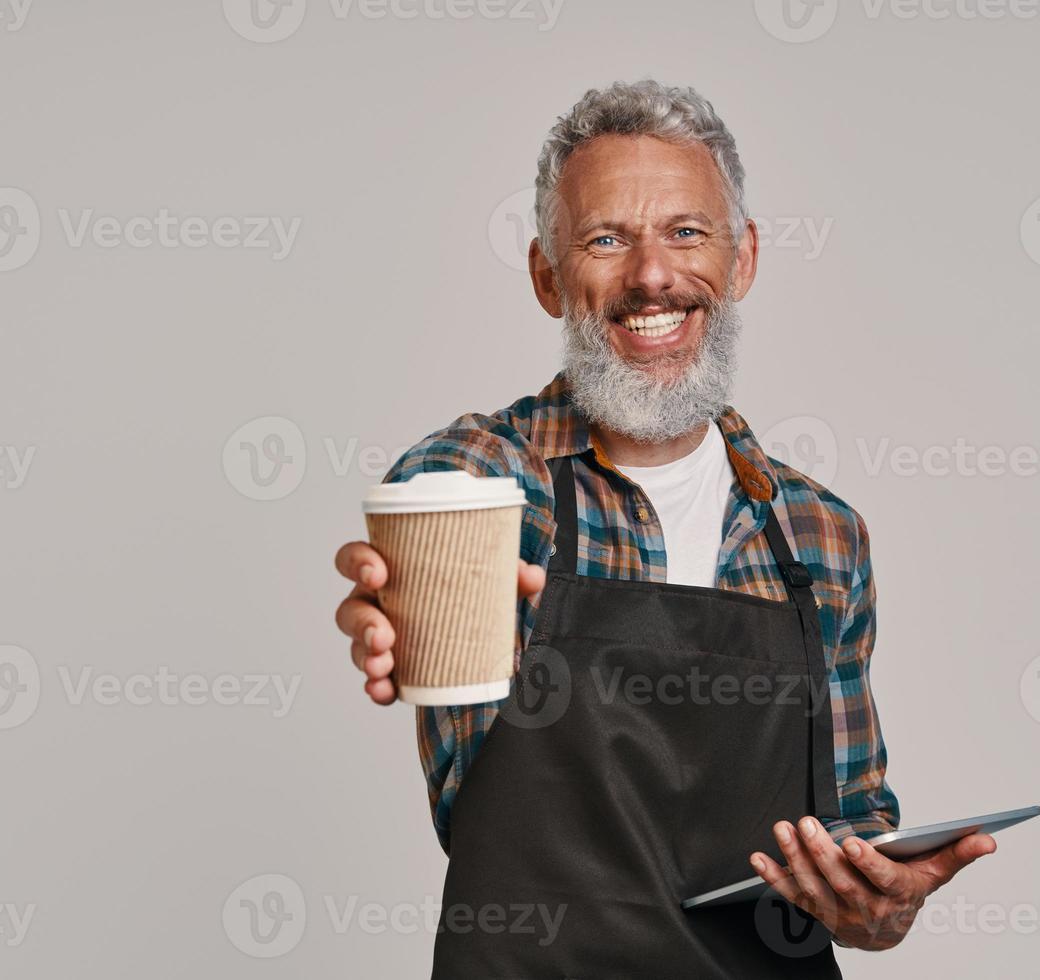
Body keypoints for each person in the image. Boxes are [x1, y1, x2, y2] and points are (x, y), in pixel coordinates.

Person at [333, 79, 995, 977]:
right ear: (547, 275)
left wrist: (878, 903)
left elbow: (855, 838)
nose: (652, 275)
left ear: (743, 258)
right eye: (607, 238)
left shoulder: (820, 538)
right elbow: (426, 519)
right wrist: (398, 602)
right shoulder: (498, 480)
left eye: (687, 232)